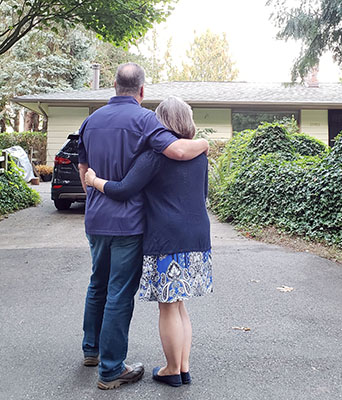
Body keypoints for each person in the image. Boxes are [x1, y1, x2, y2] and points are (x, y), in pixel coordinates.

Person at [78, 63, 209, 390]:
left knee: (98, 284)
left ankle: (91, 349)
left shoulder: (89, 121)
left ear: (113, 84)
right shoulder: (146, 121)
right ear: (141, 90)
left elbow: (83, 169)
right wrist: (205, 143)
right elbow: (178, 150)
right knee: (121, 293)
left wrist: (93, 187)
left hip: (96, 219)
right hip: (130, 224)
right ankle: (111, 369)